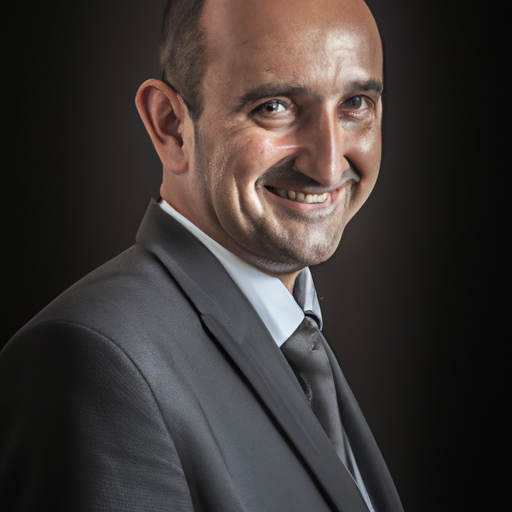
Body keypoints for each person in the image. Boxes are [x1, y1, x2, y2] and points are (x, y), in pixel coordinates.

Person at [0, 0, 403, 510]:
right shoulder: (92, 362)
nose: (327, 165)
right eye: (275, 106)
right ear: (171, 124)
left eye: (355, 103)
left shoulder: (295, 333)